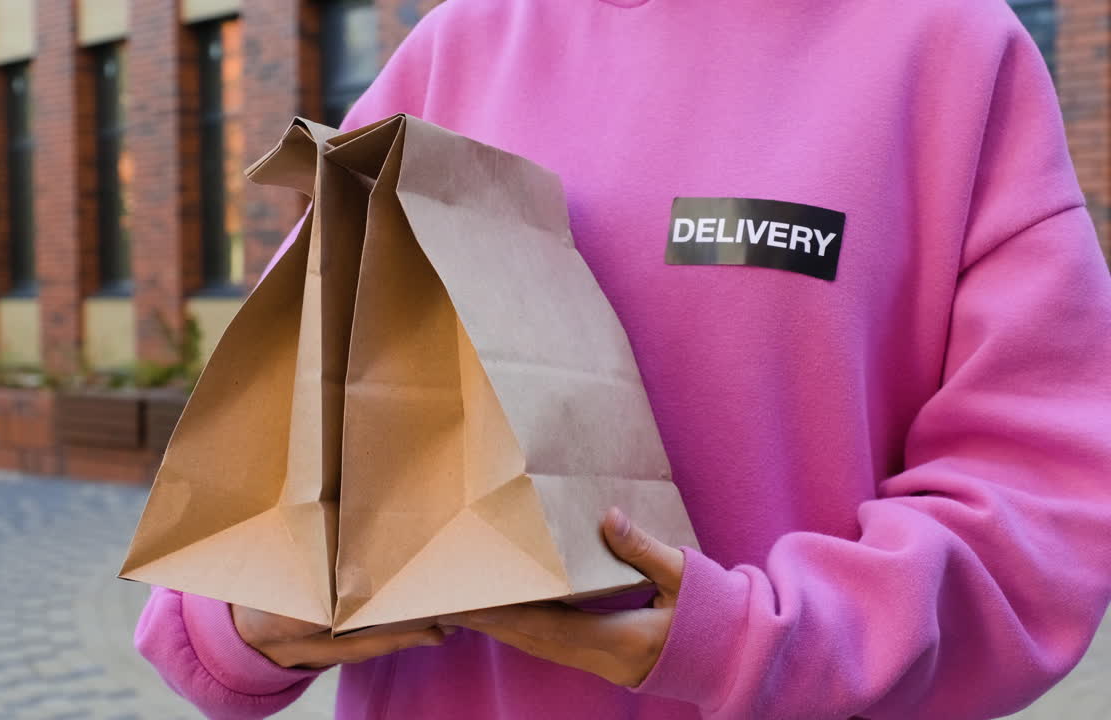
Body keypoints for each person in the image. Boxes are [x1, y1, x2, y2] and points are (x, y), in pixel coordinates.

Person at [134, 0, 1111, 717]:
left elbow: (1038, 513)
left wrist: (755, 642)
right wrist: (246, 620)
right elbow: (276, 445)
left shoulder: (948, 50)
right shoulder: (454, 49)